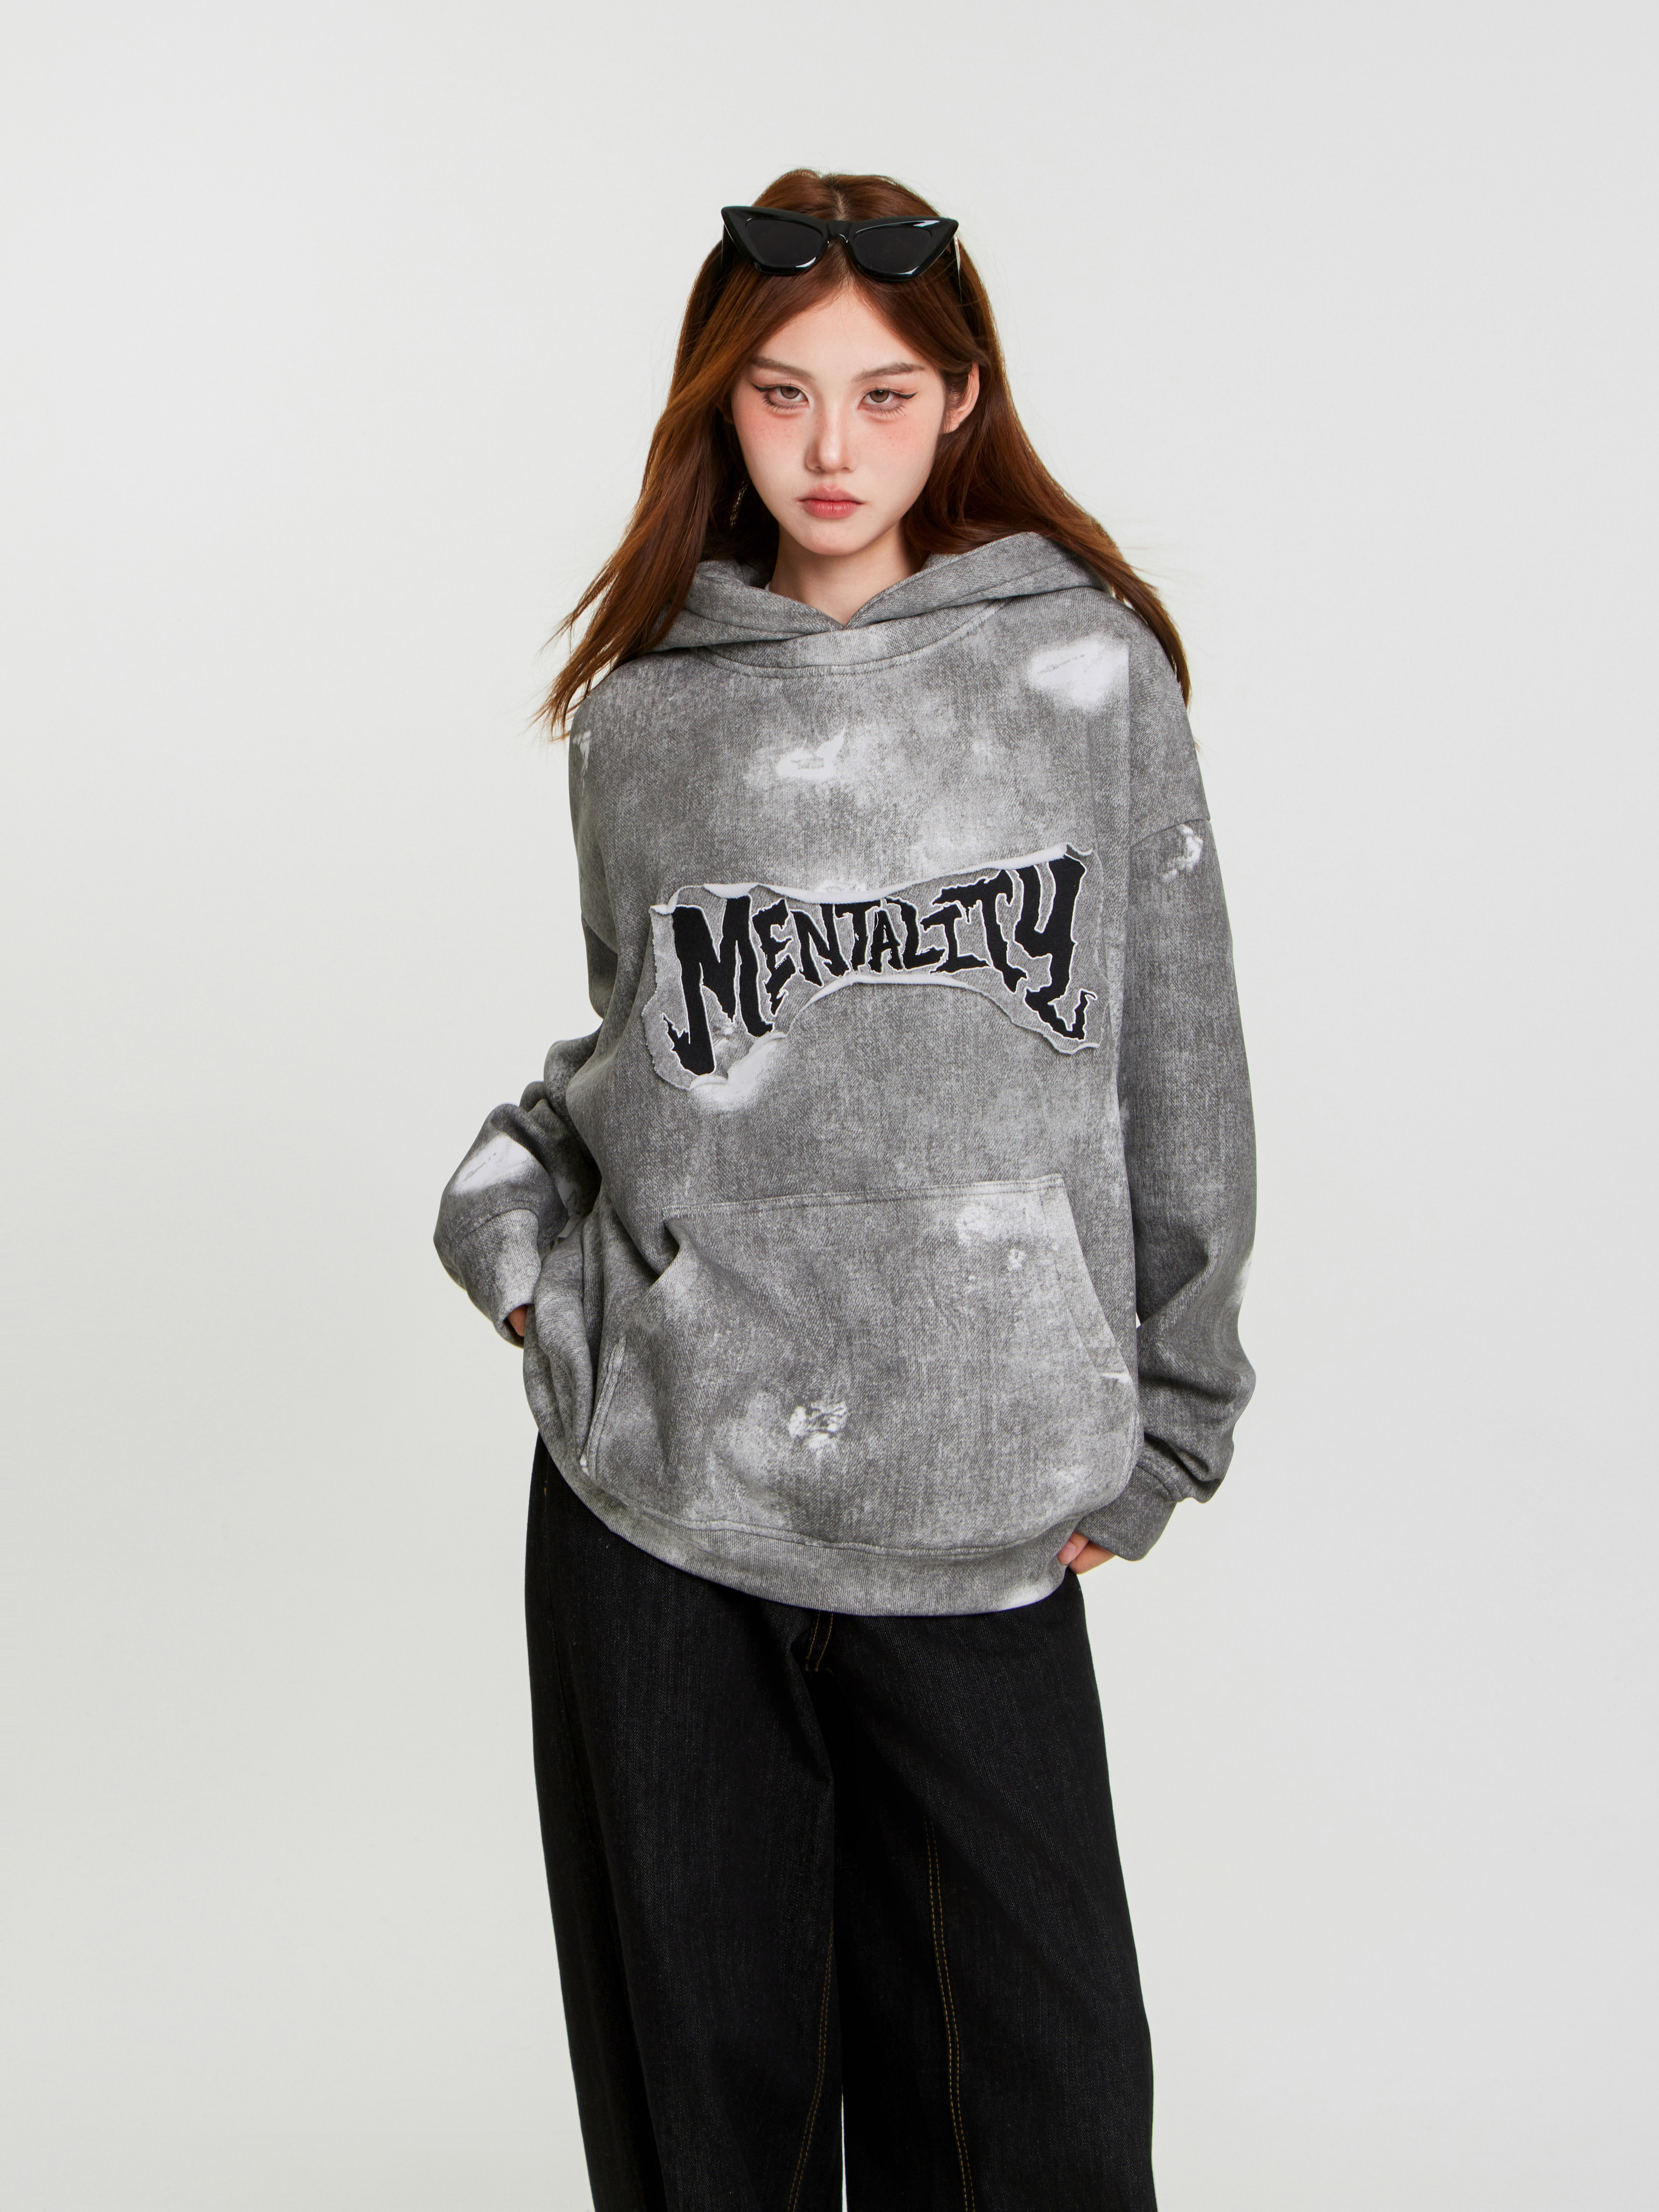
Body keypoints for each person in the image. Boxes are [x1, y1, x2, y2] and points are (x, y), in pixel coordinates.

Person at [434, 169, 1255, 2212]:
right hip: (663, 1502)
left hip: (982, 1494)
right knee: (715, 2150)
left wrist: (1171, 1416)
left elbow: (1179, 1058)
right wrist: (524, 1260)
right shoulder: (644, 713)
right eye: (781, 392)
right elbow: (643, 1059)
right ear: (719, 404)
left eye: (882, 394)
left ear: (960, 401)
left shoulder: (1086, 677)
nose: (829, 447)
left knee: (1044, 2129)